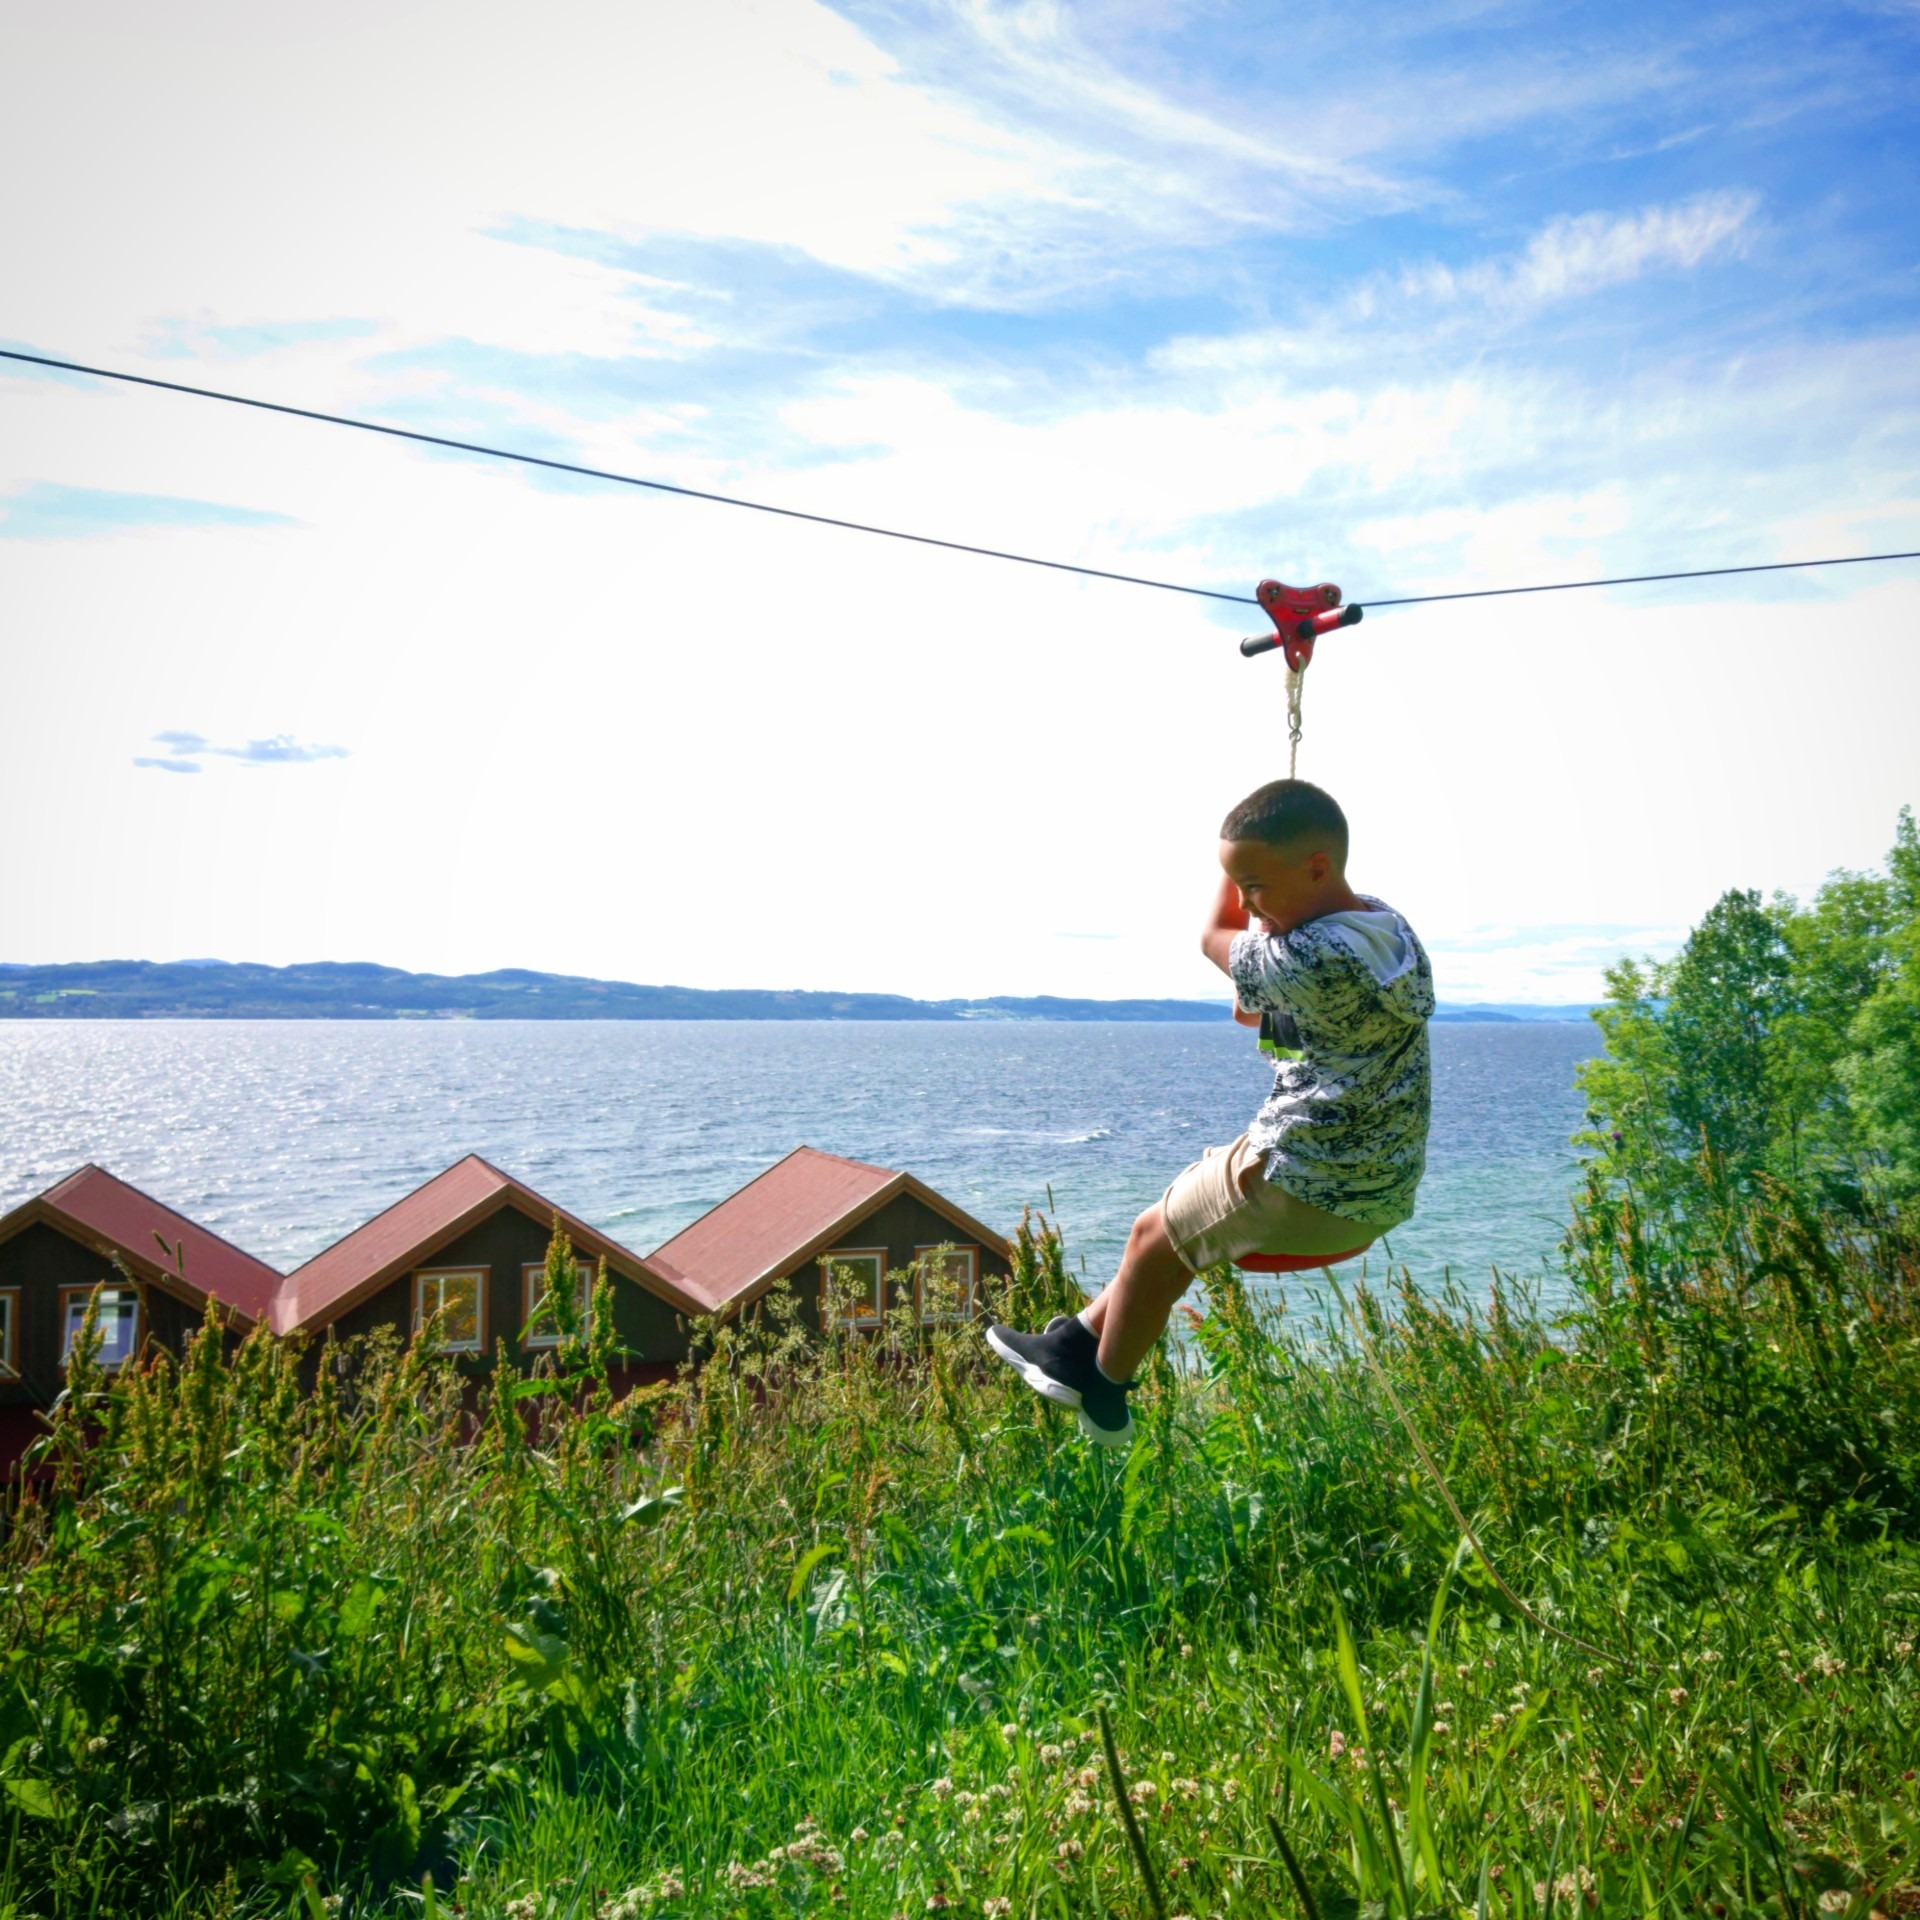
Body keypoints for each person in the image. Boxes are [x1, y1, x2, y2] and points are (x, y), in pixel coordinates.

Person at [986, 777, 1433, 1446]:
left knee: (1151, 1242)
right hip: (1383, 1183)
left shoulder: (1308, 955)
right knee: (1164, 1228)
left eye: (1255, 883)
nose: (1249, 899)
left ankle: (1102, 1392)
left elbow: (1211, 937)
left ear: (1317, 866)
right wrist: (1264, 895)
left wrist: (1228, 884)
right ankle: (1076, 1340)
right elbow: (1250, 1006)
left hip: (1306, 1182)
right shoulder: (1388, 929)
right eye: (1242, 886)